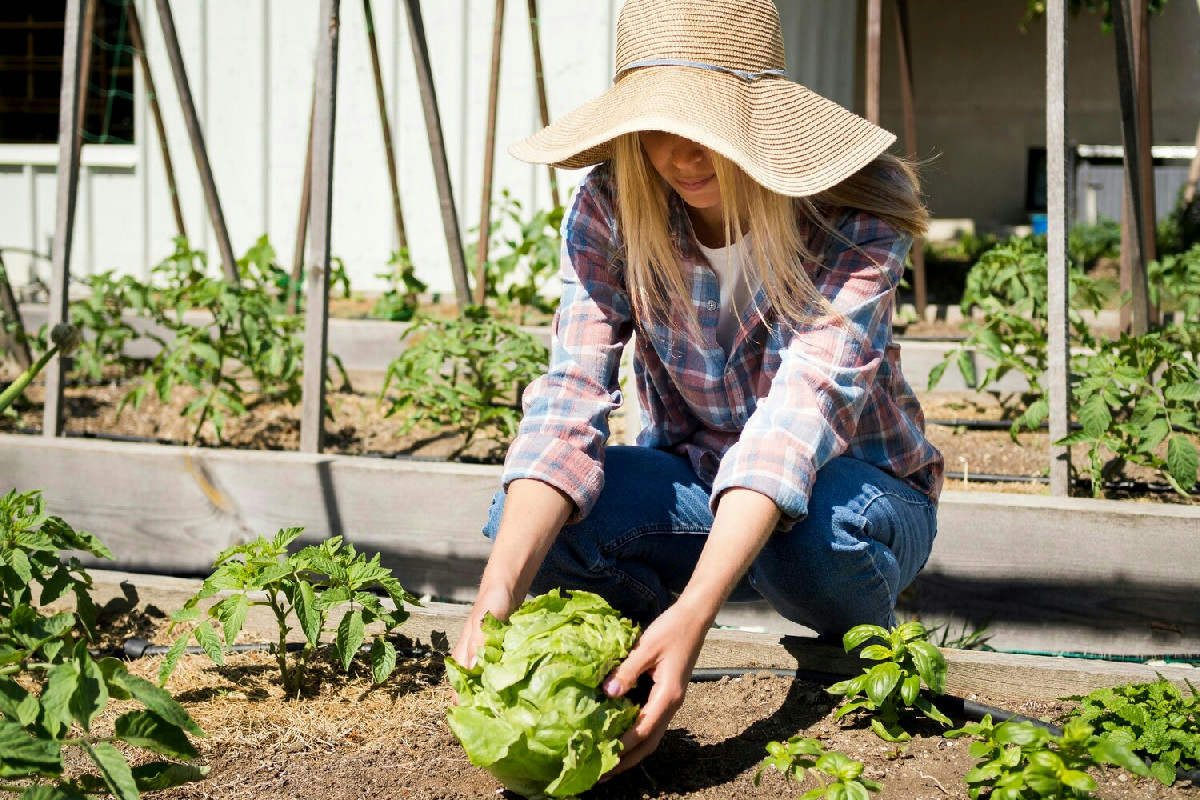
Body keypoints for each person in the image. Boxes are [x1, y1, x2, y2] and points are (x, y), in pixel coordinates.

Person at [450, 0, 944, 777]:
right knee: (530, 527)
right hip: (698, 481)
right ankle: (639, 653)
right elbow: (570, 391)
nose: (678, 156)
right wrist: (495, 593)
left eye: (703, 127)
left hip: (858, 492)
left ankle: (853, 638)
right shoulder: (615, 203)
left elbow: (797, 418)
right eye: (654, 128)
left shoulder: (851, 213)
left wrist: (698, 610)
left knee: (808, 542)